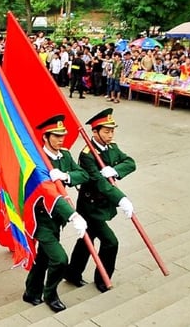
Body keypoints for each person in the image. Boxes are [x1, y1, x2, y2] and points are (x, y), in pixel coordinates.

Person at [65, 108, 136, 293]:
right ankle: (103, 278)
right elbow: (99, 183)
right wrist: (122, 199)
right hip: (90, 207)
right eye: (106, 131)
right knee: (111, 242)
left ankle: (72, 273)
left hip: (104, 205)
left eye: (112, 131)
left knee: (86, 240)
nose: (110, 135)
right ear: (95, 132)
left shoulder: (113, 147)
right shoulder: (87, 154)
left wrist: (116, 170)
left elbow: (130, 162)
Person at [23, 115, 89, 312]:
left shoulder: (65, 156)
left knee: (44, 258)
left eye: (63, 136)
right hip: (41, 219)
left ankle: (31, 292)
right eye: (57, 136)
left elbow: (83, 174)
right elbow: (50, 195)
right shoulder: (37, 161)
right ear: (45, 137)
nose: (61, 140)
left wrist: (66, 176)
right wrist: (73, 215)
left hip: (57, 220)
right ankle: (50, 294)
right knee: (59, 259)